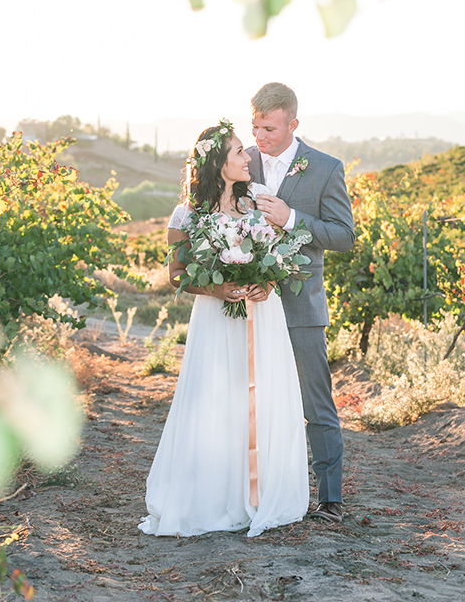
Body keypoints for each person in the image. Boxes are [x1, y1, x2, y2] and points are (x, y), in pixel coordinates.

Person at [138, 121, 309, 538]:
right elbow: (178, 273)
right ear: (218, 165)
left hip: (261, 318)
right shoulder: (187, 216)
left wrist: (265, 282)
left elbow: (282, 257)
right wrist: (219, 288)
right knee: (215, 400)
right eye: (237, 152)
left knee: (262, 397)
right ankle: (216, 497)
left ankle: (259, 492)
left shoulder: (262, 201)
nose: (247, 156)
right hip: (217, 320)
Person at [247, 83, 355, 524]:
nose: (259, 136)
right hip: (251, 303)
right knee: (250, 401)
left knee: (317, 404)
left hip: (301, 304)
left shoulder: (326, 169)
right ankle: (256, 490)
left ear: (293, 124)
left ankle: (330, 498)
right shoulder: (242, 162)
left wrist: (290, 218)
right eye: (254, 125)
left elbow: (344, 236)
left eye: (269, 128)